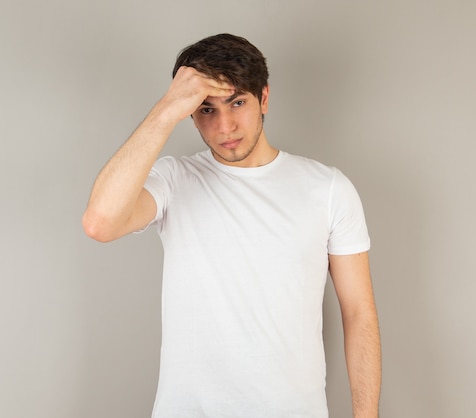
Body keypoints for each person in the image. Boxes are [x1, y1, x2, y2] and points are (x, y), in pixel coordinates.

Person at [82, 33, 381, 418]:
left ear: (265, 99)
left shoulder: (328, 189)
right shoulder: (174, 180)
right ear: (189, 114)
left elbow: (359, 313)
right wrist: (165, 109)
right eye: (206, 110)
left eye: (237, 102)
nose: (224, 126)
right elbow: (100, 223)